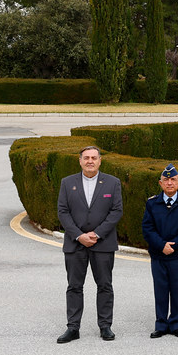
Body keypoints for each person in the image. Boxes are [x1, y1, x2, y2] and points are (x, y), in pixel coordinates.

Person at [55, 146, 123, 343]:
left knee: (104, 286)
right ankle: (73, 328)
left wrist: (97, 233)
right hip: (75, 244)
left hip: (103, 243)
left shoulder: (112, 183)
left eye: (94, 158)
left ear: (100, 161)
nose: (90, 161)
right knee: (74, 286)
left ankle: (105, 326)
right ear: (80, 161)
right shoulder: (67, 183)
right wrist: (78, 235)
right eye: (86, 158)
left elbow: (116, 211)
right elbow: (63, 211)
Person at [141, 164, 178, 338]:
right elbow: (147, 228)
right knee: (160, 288)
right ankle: (160, 324)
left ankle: (175, 323)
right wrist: (161, 245)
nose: (169, 183)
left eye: (173, 179)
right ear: (160, 183)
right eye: (166, 180)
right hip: (159, 254)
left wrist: (173, 246)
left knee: (177, 289)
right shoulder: (152, 203)